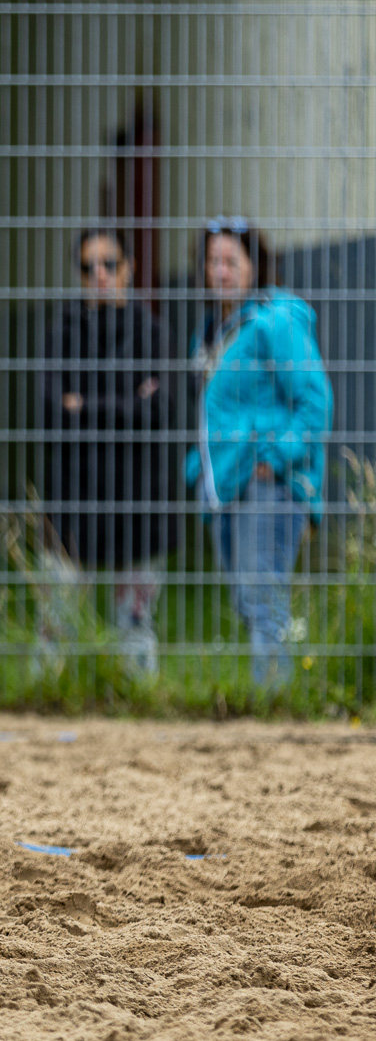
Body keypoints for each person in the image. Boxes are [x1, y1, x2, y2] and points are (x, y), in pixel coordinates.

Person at [188, 219, 331, 691]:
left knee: (264, 598)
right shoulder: (213, 330)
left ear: (254, 266)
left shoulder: (276, 319)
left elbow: (315, 401)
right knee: (247, 600)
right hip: (227, 482)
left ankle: (274, 705)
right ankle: (270, 694)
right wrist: (198, 469)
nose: (221, 271)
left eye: (232, 261)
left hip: (266, 483)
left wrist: (276, 456)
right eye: (213, 261)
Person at [37, 228, 180, 679]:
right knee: (55, 622)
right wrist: (129, 403)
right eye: (88, 267)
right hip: (72, 494)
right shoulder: (60, 333)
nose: (99, 275)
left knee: (135, 623)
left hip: (140, 496)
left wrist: (83, 405)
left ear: (129, 268)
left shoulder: (154, 333)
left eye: (110, 264)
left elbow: (162, 410)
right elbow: (49, 412)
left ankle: (138, 700)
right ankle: (45, 700)